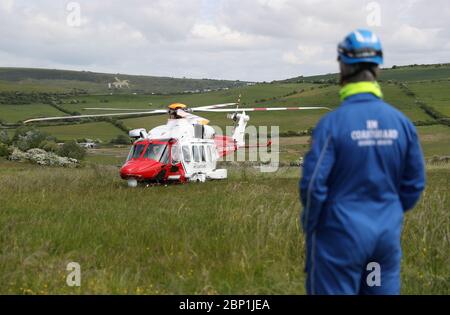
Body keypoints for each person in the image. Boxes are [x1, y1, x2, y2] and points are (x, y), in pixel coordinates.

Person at [299, 29, 426, 295]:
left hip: (339, 237)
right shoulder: (402, 124)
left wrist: (312, 226)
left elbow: (313, 186)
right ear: (377, 68)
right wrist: (388, 212)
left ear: (343, 66)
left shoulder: (332, 125)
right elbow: (414, 184)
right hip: (384, 238)